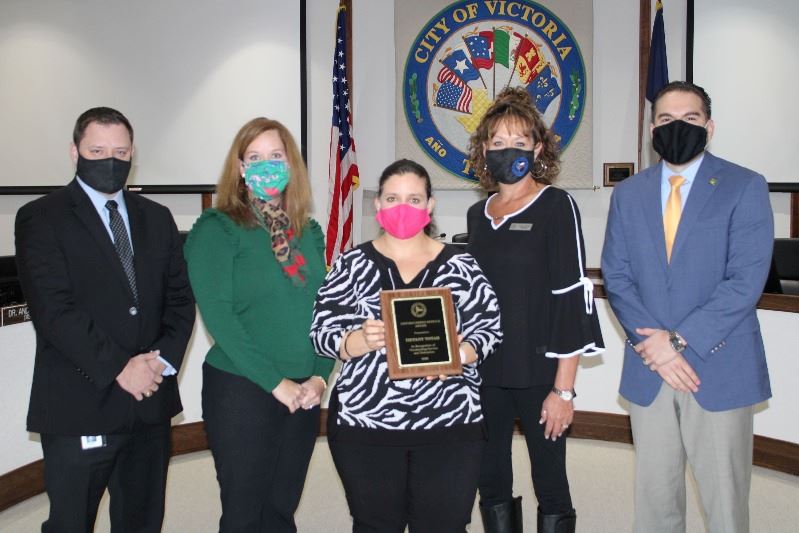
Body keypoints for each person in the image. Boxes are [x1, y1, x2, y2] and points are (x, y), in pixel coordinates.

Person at [601, 81, 773, 533]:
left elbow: (745, 281)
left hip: (718, 365)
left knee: (725, 505)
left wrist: (676, 341)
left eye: (690, 119)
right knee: (655, 502)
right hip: (649, 368)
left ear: (709, 127)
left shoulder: (745, 186)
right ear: (651, 128)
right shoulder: (629, 194)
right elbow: (617, 277)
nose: (676, 126)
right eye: (665, 119)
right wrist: (655, 346)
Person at [14, 107, 196, 532]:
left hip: (149, 402)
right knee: (71, 522)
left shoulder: (157, 217)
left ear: (133, 153)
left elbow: (180, 300)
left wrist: (160, 362)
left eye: (120, 151)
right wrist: (119, 367)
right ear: (75, 153)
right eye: (97, 150)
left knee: (142, 520)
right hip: (80, 403)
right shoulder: (41, 217)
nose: (109, 160)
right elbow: (54, 311)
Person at [310, 159, 503, 532]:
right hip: (366, 427)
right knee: (375, 524)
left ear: (430, 205)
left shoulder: (462, 264)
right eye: (393, 198)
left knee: (444, 525)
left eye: (414, 199)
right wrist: (357, 340)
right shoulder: (350, 265)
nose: (403, 207)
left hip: (451, 424)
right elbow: (320, 332)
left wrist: (458, 355)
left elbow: (490, 328)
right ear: (377, 205)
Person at [184, 117, 333, 532]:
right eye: (255, 157)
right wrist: (275, 382)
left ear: (292, 166)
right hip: (243, 389)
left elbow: (325, 312)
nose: (266, 164)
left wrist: (320, 378)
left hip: (304, 391)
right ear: (239, 167)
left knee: (281, 508)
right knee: (244, 513)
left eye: (276, 156)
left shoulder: (308, 231)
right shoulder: (218, 228)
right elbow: (220, 318)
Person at [466, 87, 604, 533]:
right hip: (486, 371)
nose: (509, 151)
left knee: (550, 479)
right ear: (484, 150)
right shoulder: (476, 214)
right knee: (490, 479)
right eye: (498, 143)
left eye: (520, 142)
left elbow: (571, 299)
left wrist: (563, 392)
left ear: (538, 148)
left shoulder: (557, 206)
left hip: (542, 372)